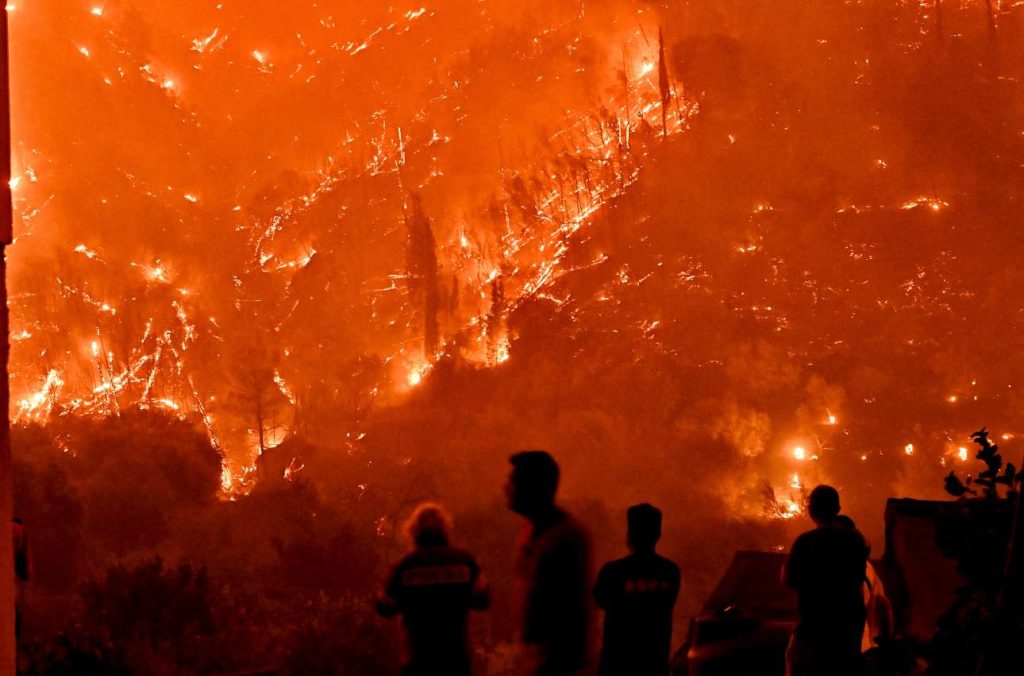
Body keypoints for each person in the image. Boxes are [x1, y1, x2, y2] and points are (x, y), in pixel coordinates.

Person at [377, 503, 490, 676]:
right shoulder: (464, 561)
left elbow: (385, 606)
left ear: (414, 530)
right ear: (445, 528)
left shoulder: (405, 566)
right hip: (456, 657)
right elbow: (483, 599)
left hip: (418, 658)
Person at [507, 450, 593, 675]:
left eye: (514, 481)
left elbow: (568, 612)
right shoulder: (535, 532)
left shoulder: (565, 539)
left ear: (532, 488)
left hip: (560, 664)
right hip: (542, 660)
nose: (507, 489)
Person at [783, 485, 868, 676]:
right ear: (837, 510)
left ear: (811, 510)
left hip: (814, 628)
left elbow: (789, 579)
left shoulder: (805, 542)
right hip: (848, 629)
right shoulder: (855, 541)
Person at [593, 503, 680, 676]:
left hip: (617, 665)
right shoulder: (671, 570)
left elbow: (598, 601)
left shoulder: (613, 571)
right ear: (658, 535)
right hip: (655, 664)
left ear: (629, 535)